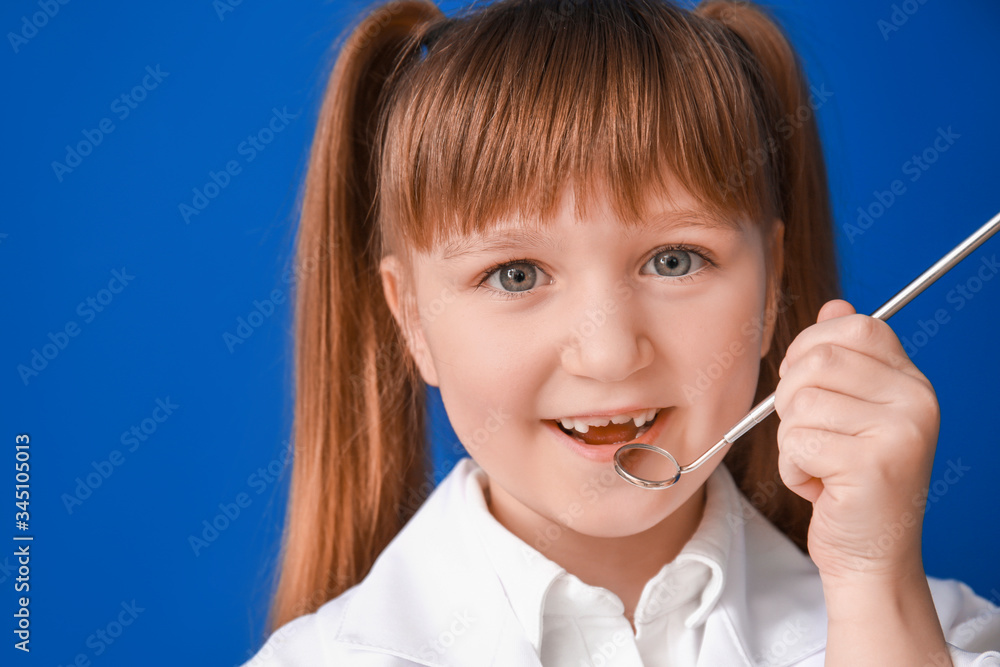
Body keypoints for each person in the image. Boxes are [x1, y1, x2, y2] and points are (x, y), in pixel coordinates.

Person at [241, 0, 1000, 664]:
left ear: (771, 287)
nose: (607, 354)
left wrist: (873, 585)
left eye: (674, 260)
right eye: (515, 274)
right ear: (412, 318)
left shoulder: (939, 637)